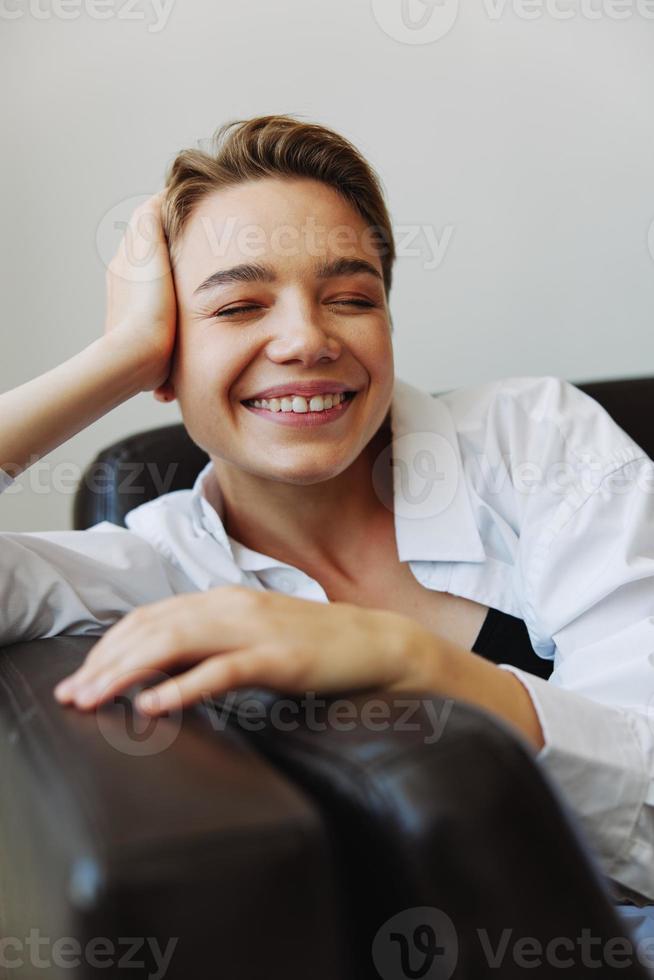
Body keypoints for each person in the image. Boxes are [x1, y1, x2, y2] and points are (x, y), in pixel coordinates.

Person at [1, 114, 654, 936]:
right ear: (165, 363)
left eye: (350, 297)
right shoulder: (154, 570)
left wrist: (407, 658)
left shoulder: (538, 437)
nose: (307, 339)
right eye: (238, 306)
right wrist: (112, 361)